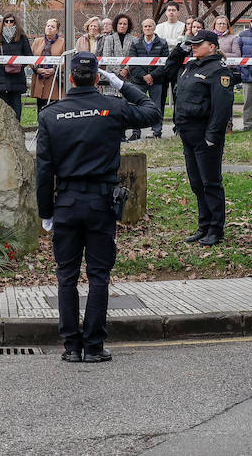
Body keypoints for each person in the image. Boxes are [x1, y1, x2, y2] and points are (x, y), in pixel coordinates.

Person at [35, 52, 160, 363]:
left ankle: (71, 346)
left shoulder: (51, 115)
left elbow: (43, 171)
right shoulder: (113, 106)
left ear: (71, 78)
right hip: (101, 202)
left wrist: (45, 213)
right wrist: (120, 83)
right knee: (99, 274)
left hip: (65, 202)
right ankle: (93, 345)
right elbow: (152, 111)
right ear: (97, 78)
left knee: (66, 275)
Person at [173, 31, 234, 247]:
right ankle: (204, 225)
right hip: (187, 133)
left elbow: (221, 108)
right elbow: (169, 71)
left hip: (205, 135)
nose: (193, 47)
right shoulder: (191, 66)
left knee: (210, 183)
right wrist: (178, 50)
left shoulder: (219, 71)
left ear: (212, 46)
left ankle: (216, 229)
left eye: (198, 44)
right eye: (192, 44)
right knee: (197, 183)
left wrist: (212, 137)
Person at [127, 19, 169, 139]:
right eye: (145, 26)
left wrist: (152, 76)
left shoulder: (162, 43)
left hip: (156, 80)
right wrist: (144, 76)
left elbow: (165, 63)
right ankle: (136, 132)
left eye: (150, 26)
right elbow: (132, 63)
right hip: (139, 80)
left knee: (156, 106)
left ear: (154, 27)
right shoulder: (135, 43)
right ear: (142, 28)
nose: (147, 28)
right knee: (136, 105)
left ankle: (156, 131)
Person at [99, 13, 138, 98]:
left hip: (128, 77)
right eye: (120, 23)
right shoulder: (109, 39)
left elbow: (134, 57)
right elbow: (107, 57)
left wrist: (126, 70)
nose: (122, 26)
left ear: (128, 26)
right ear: (116, 25)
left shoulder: (134, 40)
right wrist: (118, 71)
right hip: (112, 76)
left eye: (125, 24)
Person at [30, 18, 65, 111]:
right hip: (39, 79)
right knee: (40, 108)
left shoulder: (63, 43)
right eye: (48, 26)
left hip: (54, 81)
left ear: (57, 30)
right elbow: (30, 59)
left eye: (52, 27)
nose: (49, 28)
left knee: (53, 108)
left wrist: (54, 69)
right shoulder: (37, 42)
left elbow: (66, 60)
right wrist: (37, 69)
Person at [237, 14, 252, 130]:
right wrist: (241, 69)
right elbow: (238, 54)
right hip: (247, 72)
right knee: (247, 101)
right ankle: (247, 125)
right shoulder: (242, 35)